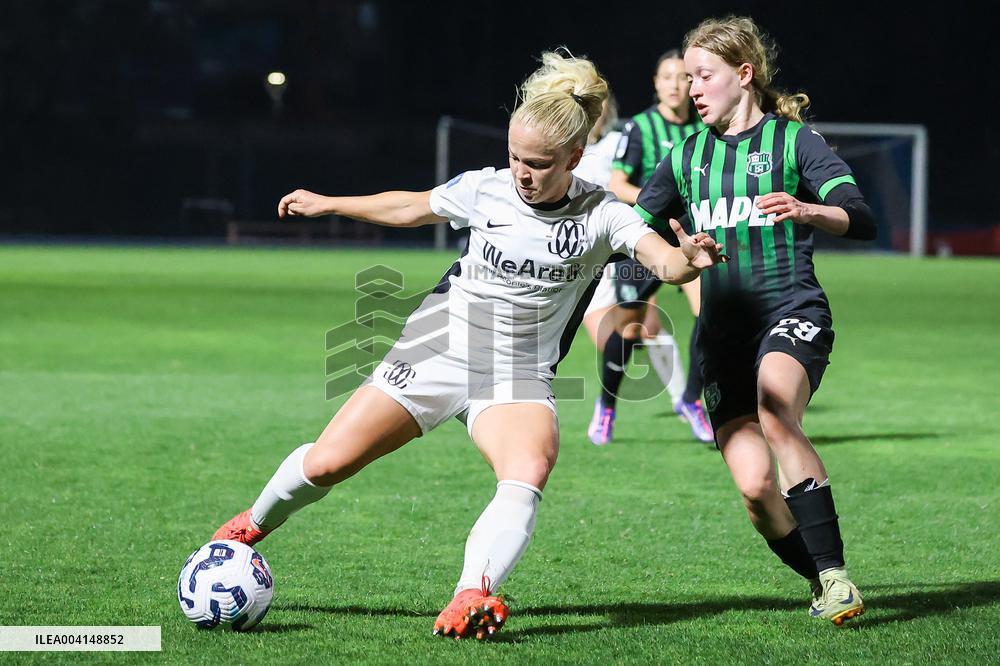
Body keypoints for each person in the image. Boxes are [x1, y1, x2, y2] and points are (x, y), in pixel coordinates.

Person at [210, 50, 725, 640]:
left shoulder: (603, 214)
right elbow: (412, 205)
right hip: (436, 350)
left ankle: (470, 594)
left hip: (517, 374)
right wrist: (330, 203)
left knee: (529, 467)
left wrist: (687, 261)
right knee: (329, 461)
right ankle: (251, 525)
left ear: (575, 158)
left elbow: (660, 256)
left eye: (538, 164)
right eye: (514, 158)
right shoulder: (489, 189)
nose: (521, 174)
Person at [635, 16, 877, 625]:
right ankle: (820, 580)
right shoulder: (685, 155)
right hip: (720, 336)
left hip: (790, 311)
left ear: (743, 76)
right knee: (755, 491)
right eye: (688, 77)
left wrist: (806, 209)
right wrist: (682, 259)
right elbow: (634, 232)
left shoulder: (795, 142)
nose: (691, 88)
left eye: (703, 76)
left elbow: (860, 215)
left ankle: (837, 579)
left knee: (776, 411)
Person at [586, 50, 713, 446]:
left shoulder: (705, 127)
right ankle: (606, 406)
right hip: (645, 239)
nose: (676, 85)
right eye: (668, 77)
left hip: (692, 238)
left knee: (707, 313)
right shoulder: (639, 127)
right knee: (628, 328)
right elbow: (619, 184)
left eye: (683, 77)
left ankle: (692, 400)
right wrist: (661, 200)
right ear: (656, 83)